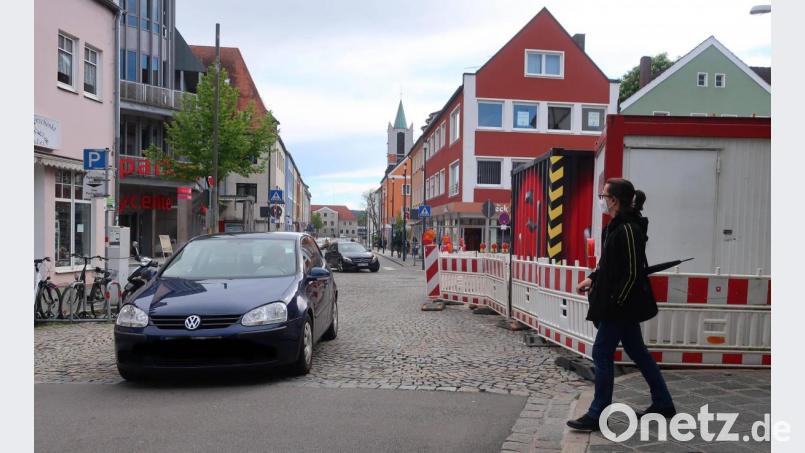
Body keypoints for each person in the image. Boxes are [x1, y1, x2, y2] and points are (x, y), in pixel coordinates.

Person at [567, 178, 675, 432]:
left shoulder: (628, 229)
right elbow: (609, 265)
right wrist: (592, 278)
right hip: (622, 304)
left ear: (614, 200)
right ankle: (663, 402)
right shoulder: (618, 226)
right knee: (637, 351)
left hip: (620, 306)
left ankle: (598, 413)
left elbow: (632, 272)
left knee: (601, 353)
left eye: (604, 197)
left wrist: (616, 302)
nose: (603, 201)